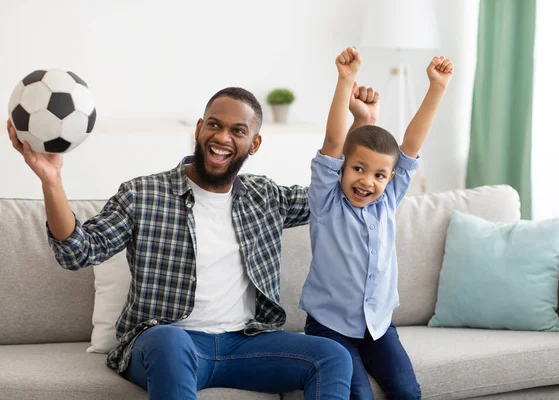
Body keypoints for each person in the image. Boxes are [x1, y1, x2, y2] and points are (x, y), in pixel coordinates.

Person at [4, 84, 382, 399]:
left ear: (255, 143)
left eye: (237, 130)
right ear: (199, 128)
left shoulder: (266, 197)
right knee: (170, 341)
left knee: (332, 356)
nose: (222, 137)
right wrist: (50, 180)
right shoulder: (143, 194)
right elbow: (77, 252)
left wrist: (362, 124)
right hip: (167, 341)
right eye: (214, 125)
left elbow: (338, 193)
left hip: (244, 344)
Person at [300, 47, 454, 399]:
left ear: (390, 178)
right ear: (341, 167)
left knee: (407, 392)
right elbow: (333, 142)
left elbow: (411, 145)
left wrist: (437, 88)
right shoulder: (326, 201)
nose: (368, 181)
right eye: (358, 169)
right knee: (359, 395)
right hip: (329, 329)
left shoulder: (387, 200)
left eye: (379, 175)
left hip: (378, 327)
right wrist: (345, 81)